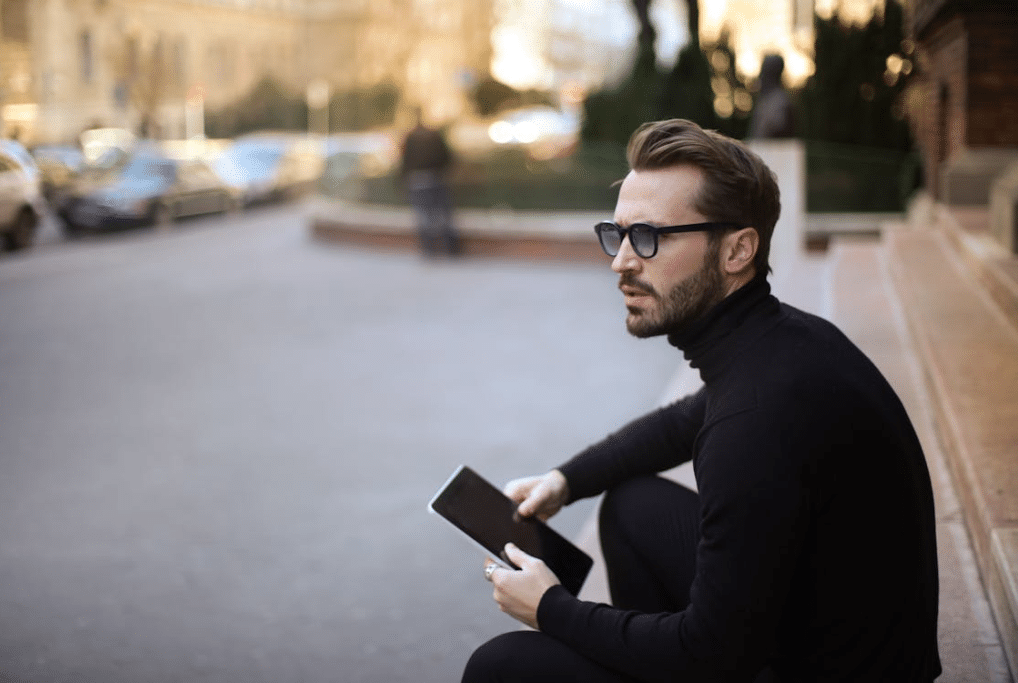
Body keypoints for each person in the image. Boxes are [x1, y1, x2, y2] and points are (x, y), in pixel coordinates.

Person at [462, 119, 941, 682]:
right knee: (632, 504)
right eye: (617, 235)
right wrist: (565, 480)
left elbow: (708, 653)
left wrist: (550, 608)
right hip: (818, 628)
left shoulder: (756, 419)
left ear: (738, 249)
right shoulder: (782, 341)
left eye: (649, 237)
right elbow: (684, 420)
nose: (621, 262)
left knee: (501, 666)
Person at [401, 108, 460, 257]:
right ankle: (450, 249)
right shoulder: (433, 136)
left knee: (424, 217)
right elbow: (446, 157)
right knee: (443, 215)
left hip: (418, 181)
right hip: (435, 177)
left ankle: (429, 249)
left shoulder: (410, 137)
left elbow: (404, 161)